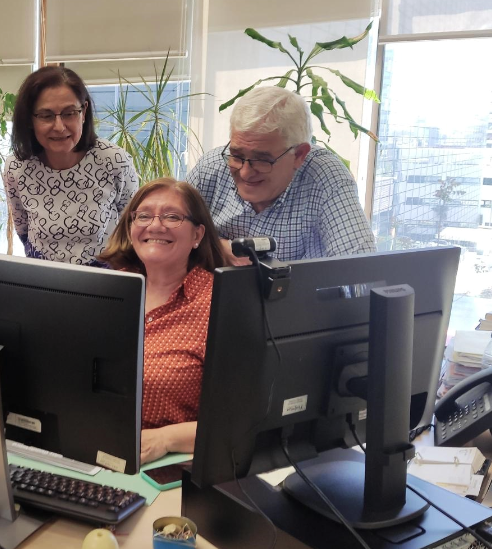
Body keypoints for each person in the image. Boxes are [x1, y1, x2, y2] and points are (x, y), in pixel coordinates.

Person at [100, 178, 225, 464]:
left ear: (197, 235)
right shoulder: (104, 290)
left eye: (172, 216)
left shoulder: (219, 303)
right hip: (94, 451)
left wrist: (166, 438)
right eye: (143, 215)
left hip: (173, 466)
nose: (155, 225)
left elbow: (242, 416)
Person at [187, 86, 375, 262]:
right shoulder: (212, 166)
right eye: (237, 155)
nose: (245, 172)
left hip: (297, 295)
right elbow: (164, 233)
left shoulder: (324, 177)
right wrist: (218, 248)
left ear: (299, 155)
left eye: (262, 160)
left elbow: (360, 265)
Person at [4, 66, 139, 265]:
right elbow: (23, 230)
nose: (59, 126)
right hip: (43, 280)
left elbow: (133, 227)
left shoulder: (114, 161)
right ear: (30, 119)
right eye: (46, 115)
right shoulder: (17, 167)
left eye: (69, 113)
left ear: (83, 112)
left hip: (106, 281)